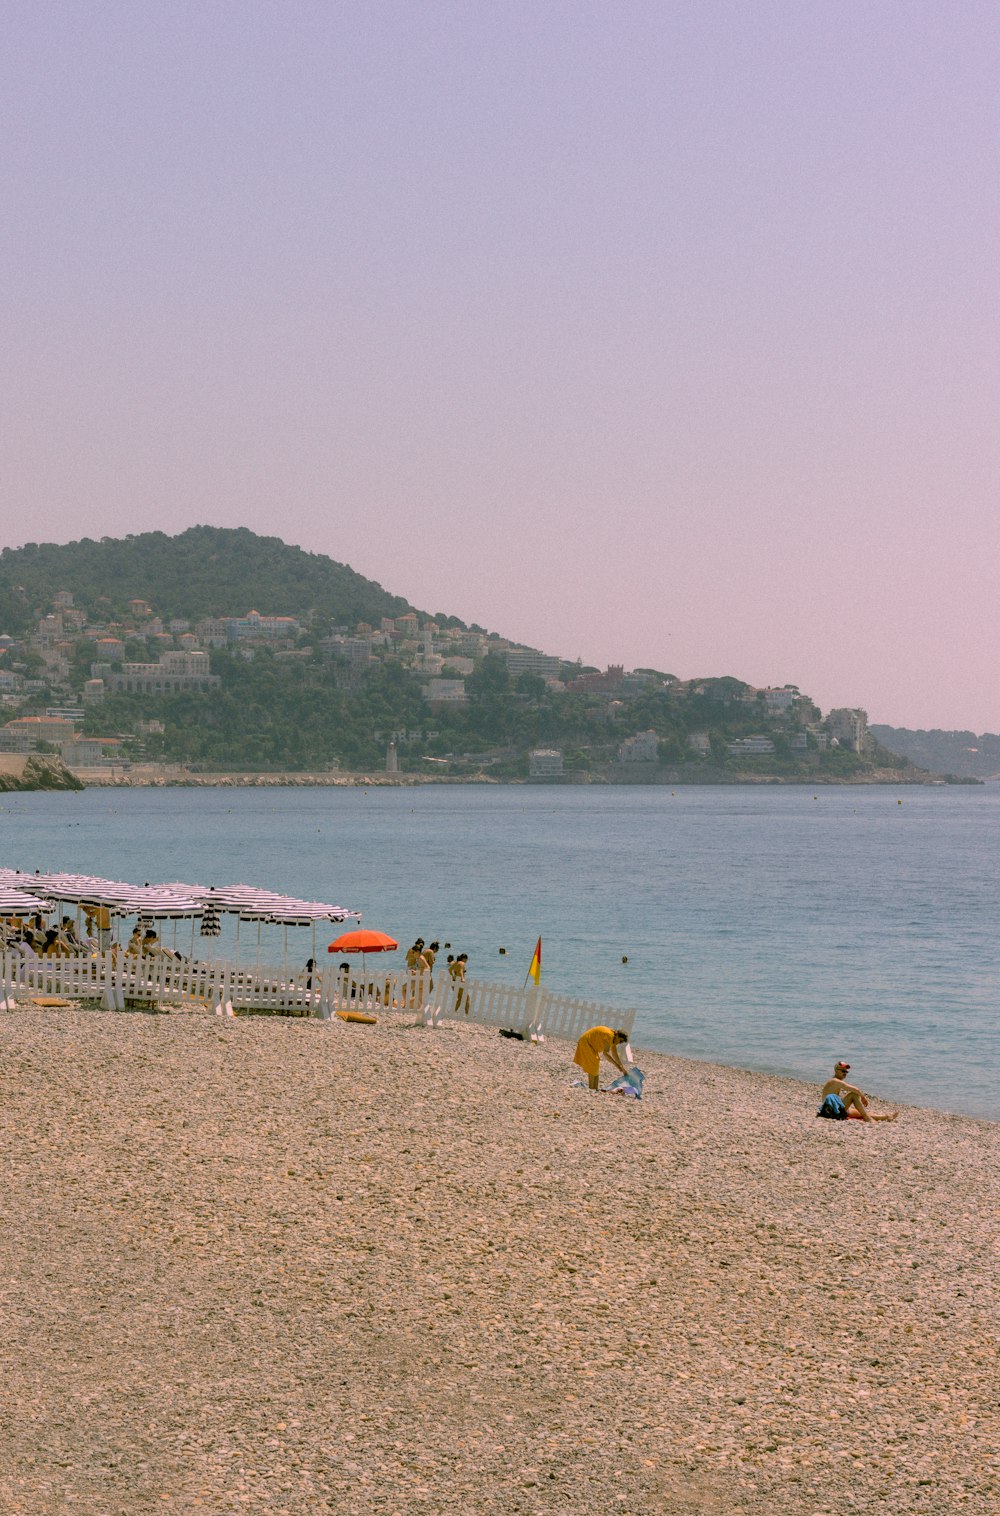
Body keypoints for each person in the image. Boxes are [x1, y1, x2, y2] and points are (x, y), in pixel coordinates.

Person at [817, 1061, 899, 1122]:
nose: (845, 1073)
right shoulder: (834, 1081)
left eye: (846, 1072)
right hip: (830, 1112)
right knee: (853, 1095)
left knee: (860, 1112)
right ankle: (867, 1118)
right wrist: (863, 1097)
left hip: (832, 1110)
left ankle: (886, 1117)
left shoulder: (835, 1081)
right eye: (843, 1071)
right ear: (836, 1070)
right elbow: (855, 1089)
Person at [573, 1026, 632, 1091]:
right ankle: (591, 1088)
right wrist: (617, 1066)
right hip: (586, 1042)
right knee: (593, 1064)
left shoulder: (613, 1038)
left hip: (591, 1046)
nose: (618, 1043)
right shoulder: (610, 1036)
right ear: (617, 1036)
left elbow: (615, 1054)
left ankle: (594, 1088)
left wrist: (622, 1068)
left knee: (596, 1062)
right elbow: (605, 1054)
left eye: (621, 1042)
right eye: (620, 1041)